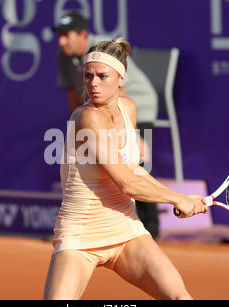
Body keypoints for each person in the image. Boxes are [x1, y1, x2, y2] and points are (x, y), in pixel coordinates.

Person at [43, 38, 208, 300]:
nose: (93, 83)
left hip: (126, 230)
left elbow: (134, 170)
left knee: (180, 297)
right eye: (88, 76)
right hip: (81, 235)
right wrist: (177, 199)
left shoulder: (128, 108)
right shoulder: (86, 117)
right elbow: (127, 183)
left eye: (102, 76)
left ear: (120, 78)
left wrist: (181, 197)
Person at [53, 11, 161, 240]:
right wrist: (78, 128)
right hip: (98, 111)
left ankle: (150, 230)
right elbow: (74, 95)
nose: (61, 41)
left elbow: (119, 94)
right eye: (59, 35)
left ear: (83, 34)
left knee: (133, 163)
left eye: (66, 35)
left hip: (136, 104)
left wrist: (129, 135)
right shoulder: (64, 56)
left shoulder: (102, 50)